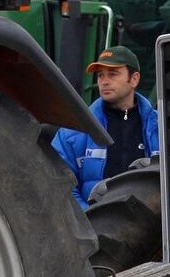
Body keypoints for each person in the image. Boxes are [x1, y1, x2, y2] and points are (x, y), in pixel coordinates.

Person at [52, 46, 160, 209]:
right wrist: (90, 222)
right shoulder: (73, 131)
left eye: (113, 74)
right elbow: (59, 184)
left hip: (154, 228)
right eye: (100, 75)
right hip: (95, 229)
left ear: (134, 79)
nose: (104, 81)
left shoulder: (162, 128)